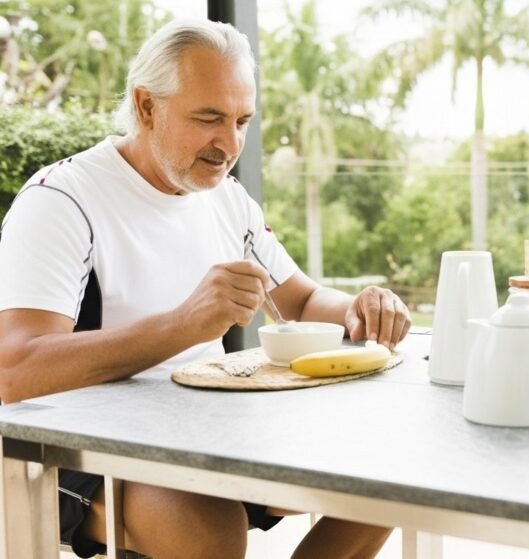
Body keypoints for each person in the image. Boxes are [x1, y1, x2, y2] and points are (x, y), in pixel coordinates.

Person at [0, 19, 407, 558]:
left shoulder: (226, 197)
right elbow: (16, 370)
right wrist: (181, 325)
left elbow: (303, 301)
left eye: (242, 120)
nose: (230, 143)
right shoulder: (61, 199)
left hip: (211, 427)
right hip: (84, 448)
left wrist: (361, 309)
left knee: (383, 475)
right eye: (209, 118)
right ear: (146, 107)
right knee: (209, 529)